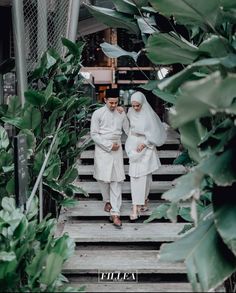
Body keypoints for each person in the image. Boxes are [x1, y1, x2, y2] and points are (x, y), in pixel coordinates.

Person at [125, 91, 167, 221]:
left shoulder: (148, 115)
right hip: (133, 146)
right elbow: (127, 127)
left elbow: (155, 132)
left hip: (146, 147)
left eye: (138, 105)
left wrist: (145, 144)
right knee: (135, 176)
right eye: (133, 105)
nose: (135, 108)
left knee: (145, 177)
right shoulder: (130, 112)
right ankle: (135, 207)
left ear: (142, 103)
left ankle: (143, 200)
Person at [90, 89, 129, 228]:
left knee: (117, 180)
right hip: (103, 148)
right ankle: (107, 200)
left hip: (117, 148)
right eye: (111, 102)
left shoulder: (121, 112)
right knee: (102, 178)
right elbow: (94, 134)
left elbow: (128, 130)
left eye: (116, 102)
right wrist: (108, 145)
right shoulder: (97, 114)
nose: (113, 105)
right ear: (105, 100)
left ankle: (115, 213)